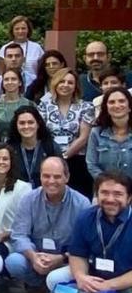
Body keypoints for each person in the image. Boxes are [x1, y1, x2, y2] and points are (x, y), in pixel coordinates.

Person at [8, 157, 91, 293]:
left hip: (65, 260)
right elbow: (19, 234)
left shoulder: (82, 204)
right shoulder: (29, 199)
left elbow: (86, 244)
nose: (51, 181)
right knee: (14, 262)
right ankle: (37, 286)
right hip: (36, 258)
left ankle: (58, 291)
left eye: (57, 176)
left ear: (67, 177)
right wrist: (33, 257)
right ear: (40, 176)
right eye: (46, 176)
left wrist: (61, 258)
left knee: (58, 277)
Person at [63, 171, 132, 293]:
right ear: (97, 195)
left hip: (126, 282)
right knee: (54, 279)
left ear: (129, 198)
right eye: (104, 193)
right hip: (94, 276)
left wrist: (109, 285)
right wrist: (81, 277)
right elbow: (77, 254)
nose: (110, 199)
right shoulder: (85, 217)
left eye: (118, 194)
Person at [38, 68, 95, 198]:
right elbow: (41, 133)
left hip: (77, 161)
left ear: (75, 86)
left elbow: (84, 137)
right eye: (62, 81)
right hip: (49, 159)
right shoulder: (44, 106)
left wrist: (64, 156)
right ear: (55, 84)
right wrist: (55, 157)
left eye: (70, 82)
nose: (65, 85)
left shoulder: (86, 107)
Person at [6, 106, 60, 188]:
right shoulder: (9, 149)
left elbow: (60, 175)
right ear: (16, 125)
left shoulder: (50, 147)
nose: (26, 126)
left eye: (30, 122)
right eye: (22, 123)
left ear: (38, 124)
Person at [87, 87, 132, 179]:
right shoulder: (96, 133)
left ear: (130, 106)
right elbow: (92, 165)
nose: (117, 105)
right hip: (107, 190)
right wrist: (110, 185)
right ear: (106, 107)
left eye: (121, 101)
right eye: (111, 102)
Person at [0, 68, 34, 140]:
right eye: (6, 79)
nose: (10, 82)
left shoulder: (30, 104)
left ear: (20, 82)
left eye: (13, 79)